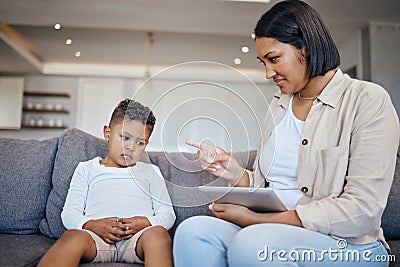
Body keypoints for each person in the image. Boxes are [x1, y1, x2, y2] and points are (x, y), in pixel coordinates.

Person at [173, 0, 399, 266]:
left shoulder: (367, 100)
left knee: (253, 243)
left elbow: (362, 211)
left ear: (306, 46)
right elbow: (270, 187)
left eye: (274, 59)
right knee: (194, 232)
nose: (268, 73)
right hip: (272, 234)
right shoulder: (279, 105)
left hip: (348, 244)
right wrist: (234, 173)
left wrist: (256, 221)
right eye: (263, 62)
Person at [38, 99, 176, 267]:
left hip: (138, 239)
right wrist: (91, 225)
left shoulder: (150, 172)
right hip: (95, 239)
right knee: (72, 236)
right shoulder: (86, 169)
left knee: (159, 235)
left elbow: (167, 214)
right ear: (108, 133)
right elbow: (69, 213)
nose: (131, 147)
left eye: (140, 142)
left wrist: (146, 222)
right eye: (125, 137)